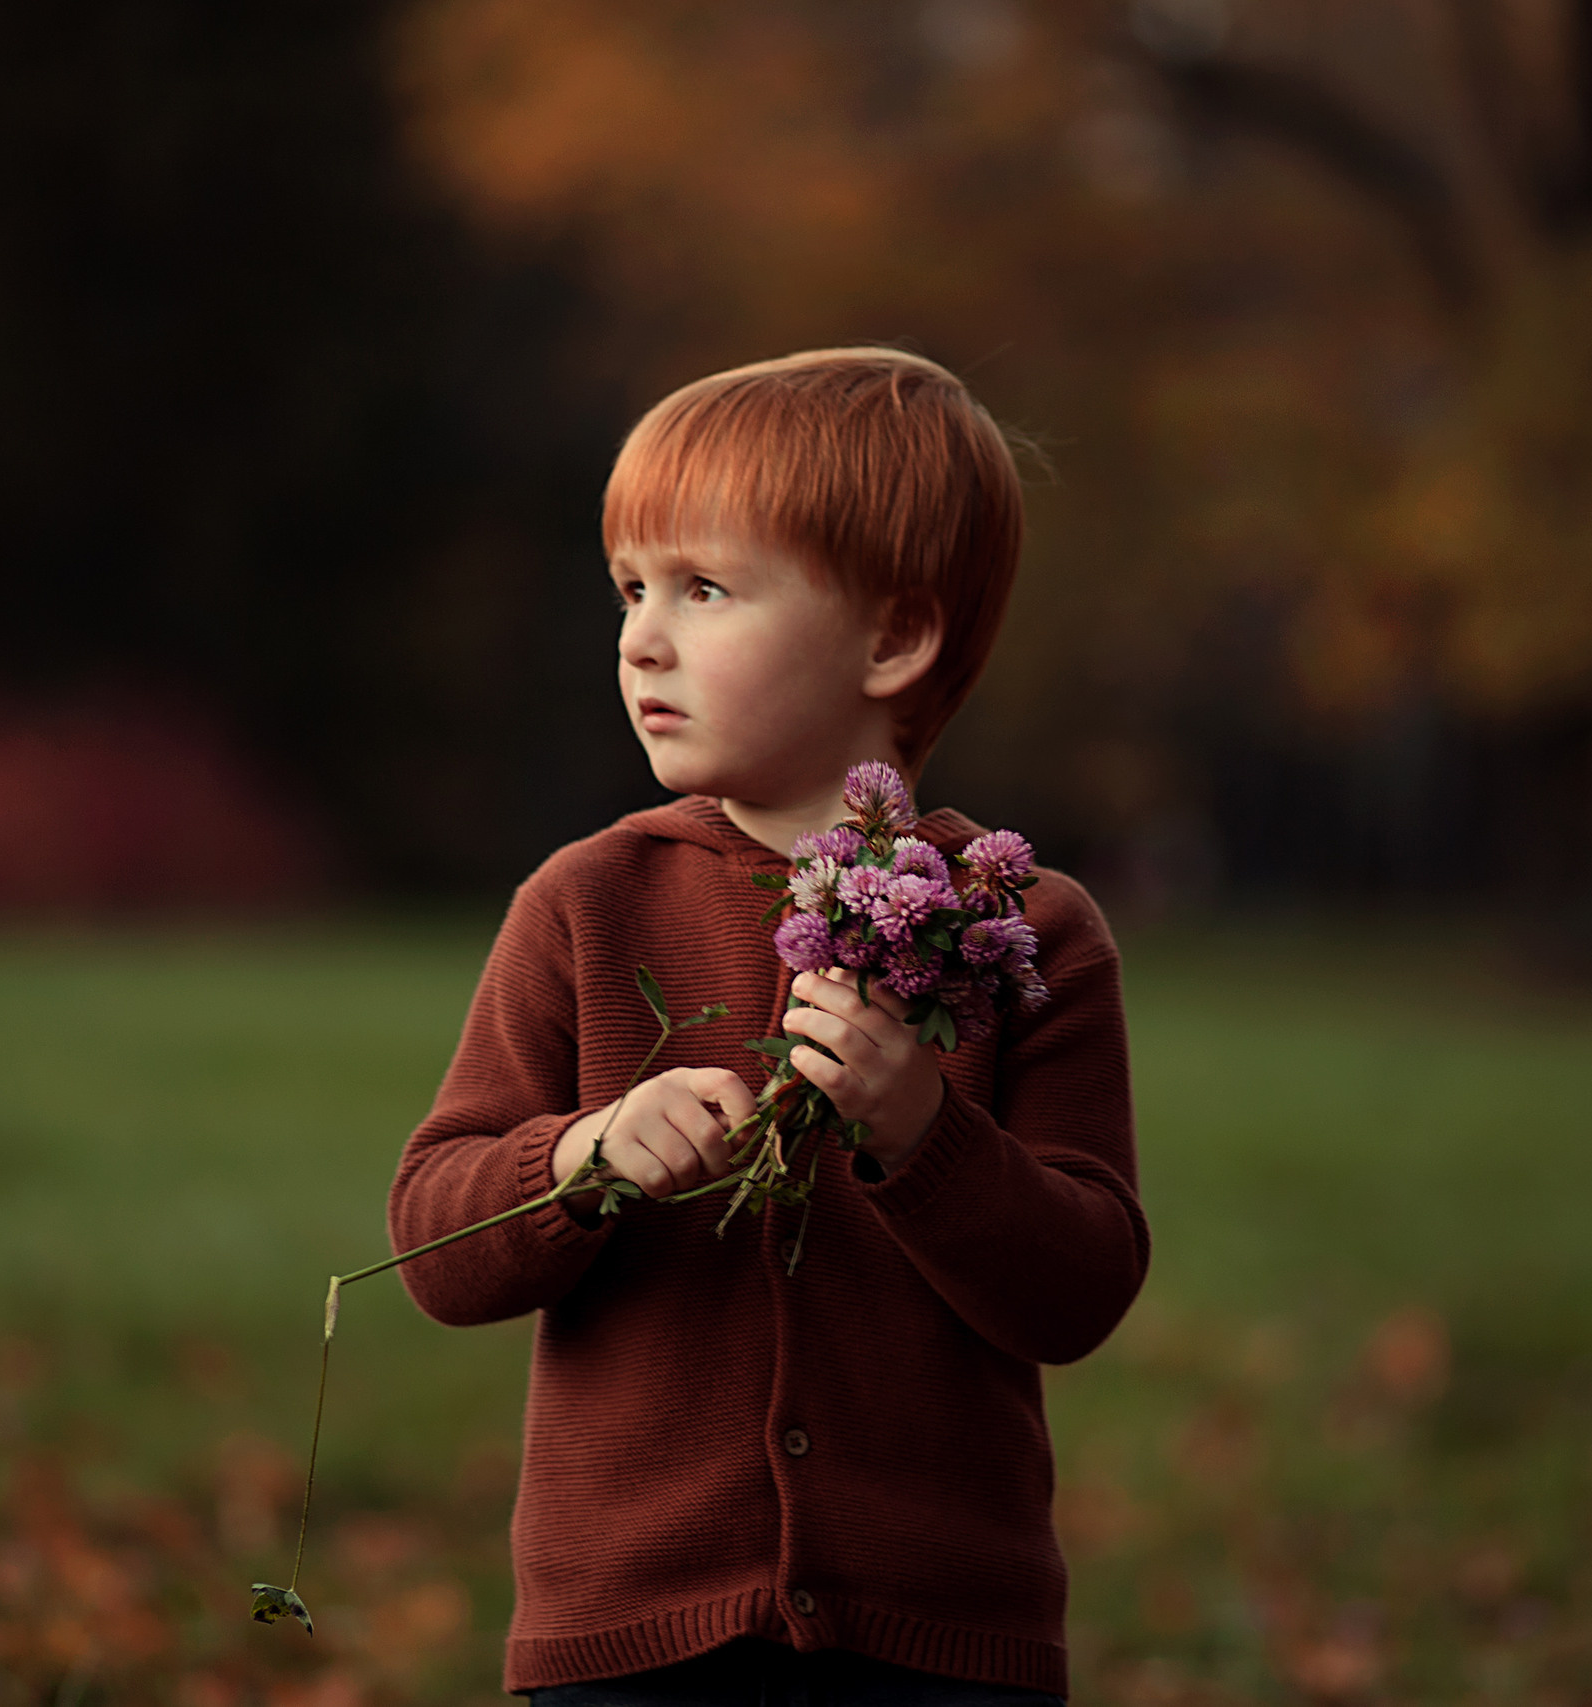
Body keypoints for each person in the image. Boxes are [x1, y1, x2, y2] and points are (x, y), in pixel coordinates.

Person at [388, 348, 1147, 1705]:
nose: (642, 638)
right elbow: (433, 1241)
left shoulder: (1022, 928)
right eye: (630, 589)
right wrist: (583, 1159)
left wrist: (924, 1133)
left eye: (705, 589)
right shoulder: (587, 905)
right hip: (634, 1637)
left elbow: (1080, 1288)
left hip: (937, 1643)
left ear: (893, 640)